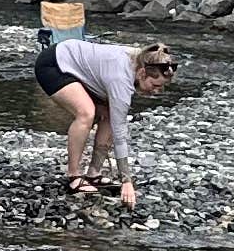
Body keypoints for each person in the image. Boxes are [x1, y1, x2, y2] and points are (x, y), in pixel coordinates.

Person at [34, 26, 174, 210]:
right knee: (86, 113)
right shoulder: (121, 80)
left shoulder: (145, 60)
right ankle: (74, 177)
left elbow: (113, 120)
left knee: (108, 114)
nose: (156, 91)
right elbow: (119, 132)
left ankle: (93, 174)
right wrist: (126, 181)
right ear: (141, 74)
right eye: (155, 85)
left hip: (78, 65)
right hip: (54, 64)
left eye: (161, 88)